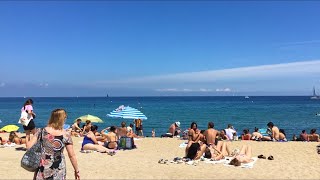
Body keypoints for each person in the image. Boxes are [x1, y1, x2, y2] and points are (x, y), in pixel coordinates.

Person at [26, 108, 80, 180]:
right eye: (65, 117)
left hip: (43, 166)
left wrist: (27, 135)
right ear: (62, 119)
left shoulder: (41, 131)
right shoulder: (65, 134)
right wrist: (76, 170)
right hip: (58, 168)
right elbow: (71, 155)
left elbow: (28, 147)